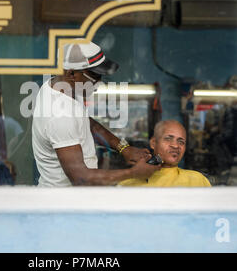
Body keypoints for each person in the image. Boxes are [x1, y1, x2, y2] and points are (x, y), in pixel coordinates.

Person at [32, 40, 161, 187]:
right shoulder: (60, 116)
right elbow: (81, 178)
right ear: (71, 73)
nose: (99, 83)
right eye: (95, 76)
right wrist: (133, 173)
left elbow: (86, 123)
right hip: (64, 203)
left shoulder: (61, 86)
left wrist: (123, 148)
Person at [119, 120, 211, 187]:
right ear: (153, 143)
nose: (175, 146)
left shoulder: (197, 180)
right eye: (168, 139)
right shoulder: (129, 182)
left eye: (181, 142)